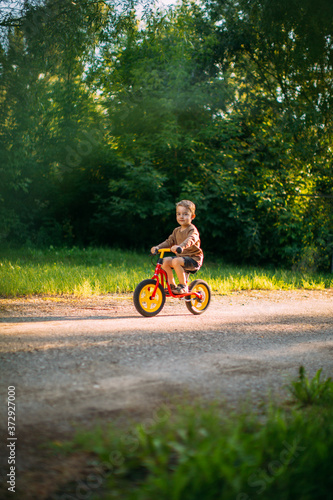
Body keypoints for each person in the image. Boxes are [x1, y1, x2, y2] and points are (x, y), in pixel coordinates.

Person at [150, 200, 203, 294]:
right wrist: (157, 248)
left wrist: (181, 246)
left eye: (185, 214)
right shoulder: (176, 231)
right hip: (181, 258)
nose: (181, 216)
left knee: (176, 261)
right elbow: (169, 241)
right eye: (178, 214)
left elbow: (190, 240)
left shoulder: (192, 230)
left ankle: (183, 286)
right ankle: (172, 286)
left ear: (192, 216)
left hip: (194, 259)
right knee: (164, 261)